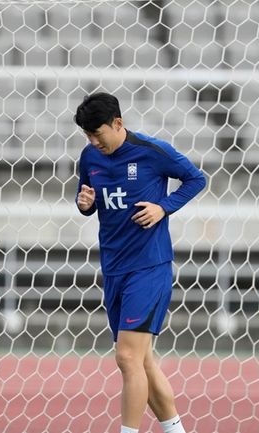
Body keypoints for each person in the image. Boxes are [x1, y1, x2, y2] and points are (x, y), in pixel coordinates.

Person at [74, 92, 206, 433]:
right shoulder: (89, 158)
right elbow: (87, 198)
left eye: (97, 133)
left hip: (149, 266)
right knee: (143, 361)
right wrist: (85, 203)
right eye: (87, 136)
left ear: (118, 123)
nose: (93, 141)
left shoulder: (151, 152)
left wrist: (164, 206)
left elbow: (196, 179)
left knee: (127, 358)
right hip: (114, 268)